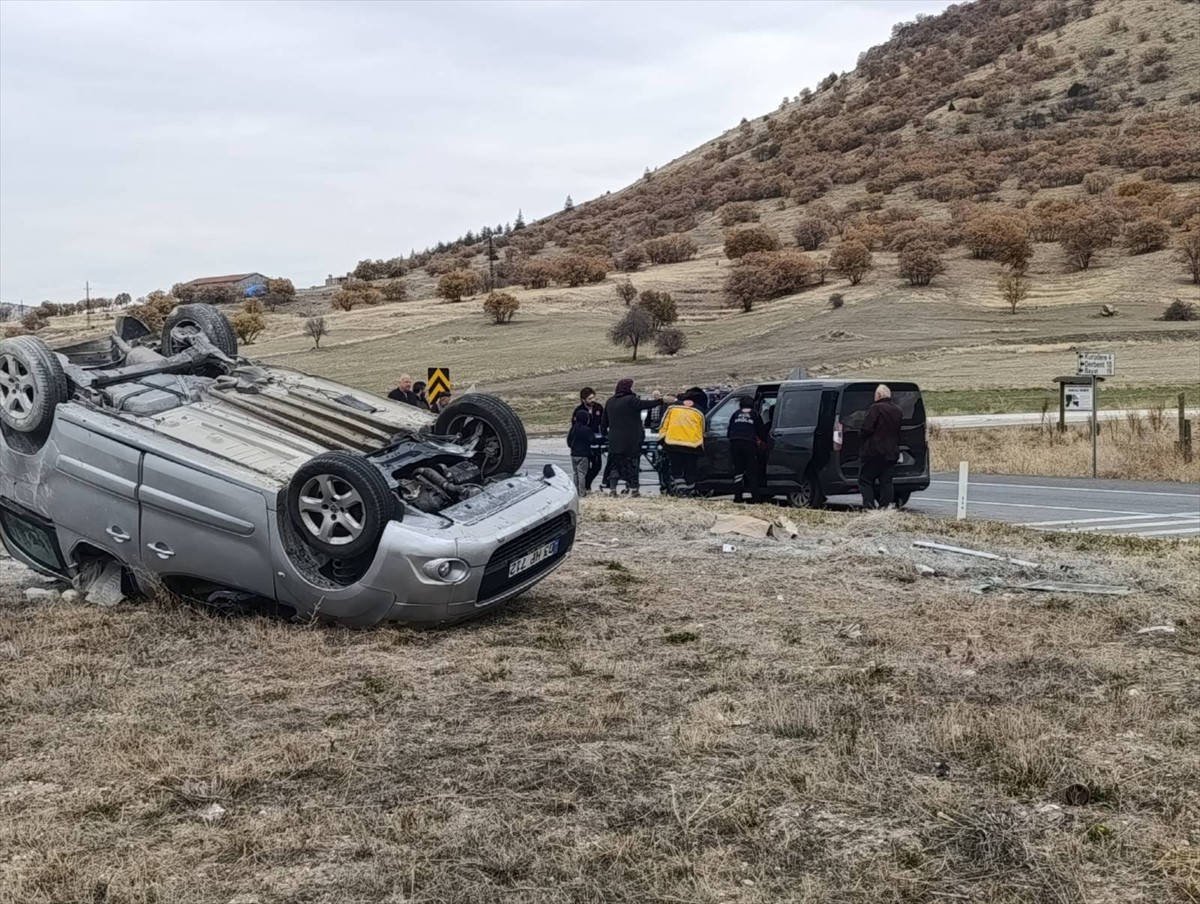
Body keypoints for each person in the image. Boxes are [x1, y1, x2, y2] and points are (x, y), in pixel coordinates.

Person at [601, 378, 660, 497]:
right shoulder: (631, 400)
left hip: (615, 440)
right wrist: (660, 401)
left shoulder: (610, 401)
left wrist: (605, 435)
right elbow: (645, 404)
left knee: (614, 465)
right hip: (631, 440)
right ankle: (633, 489)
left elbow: (604, 421)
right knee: (632, 464)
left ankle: (612, 489)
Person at [859, 383, 903, 509]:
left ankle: (869, 507)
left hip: (875, 452)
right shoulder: (897, 410)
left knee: (865, 480)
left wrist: (861, 437)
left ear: (878, 395)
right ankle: (885, 507)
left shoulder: (875, 408)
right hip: (891, 452)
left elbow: (867, 428)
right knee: (886, 481)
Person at [659, 391, 705, 495]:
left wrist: (662, 440)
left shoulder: (672, 408)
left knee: (677, 470)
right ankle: (691, 491)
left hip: (673, 443)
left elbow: (663, 425)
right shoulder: (699, 411)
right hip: (693, 445)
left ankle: (682, 490)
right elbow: (703, 429)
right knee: (690, 470)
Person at [728, 395, 767, 503]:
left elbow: (729, 431)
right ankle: (755, 497)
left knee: (738, 470)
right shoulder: (755, 414)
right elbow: (761, 431)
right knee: (751, 470)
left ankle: (738, 497)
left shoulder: (735, 414)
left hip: (734, 443)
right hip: (749, 444)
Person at [574, 387, 605, 491]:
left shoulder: (599, 407)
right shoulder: (579, 410)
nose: (592, 400)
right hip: (584, 443)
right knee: (585, 468)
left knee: (597, 466)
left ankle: (587, 484)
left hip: (596, 440)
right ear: (583, 400)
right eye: (589, 399)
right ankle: (583, 488)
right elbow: (575, 426)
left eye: (593, 398)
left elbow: (604, 422)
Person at [567, 406, 594, 495]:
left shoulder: (573, 428)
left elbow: (569, 441)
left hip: (574, 454)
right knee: (582, 473)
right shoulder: (586, 429)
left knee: (575, 473)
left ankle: (575, 491)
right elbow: (592, 440)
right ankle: (582, 492)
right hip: (583, 454)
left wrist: (572, 447)